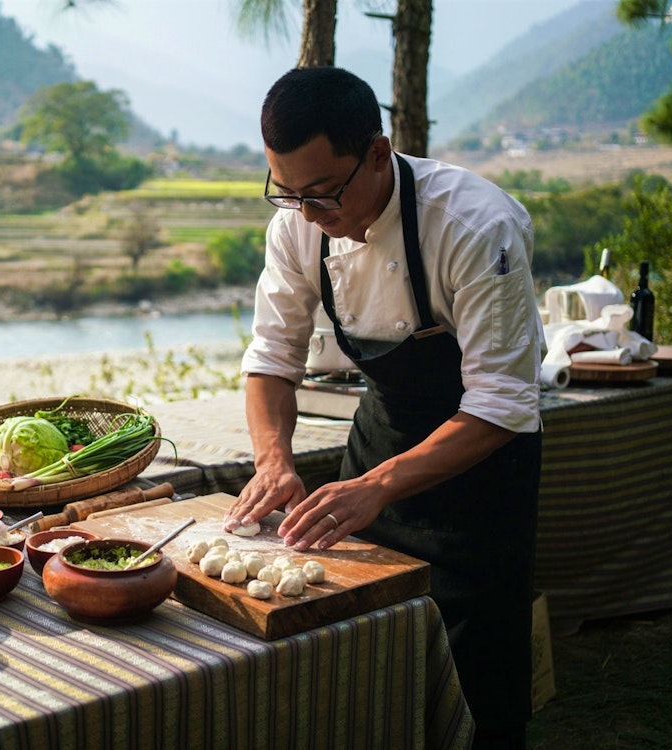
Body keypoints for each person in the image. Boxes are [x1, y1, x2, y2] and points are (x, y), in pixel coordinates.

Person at [224, 67, 545, 749]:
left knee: (477, 671)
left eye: (322, 194)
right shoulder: (298, 226)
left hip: (478, 473)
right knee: (364, 658)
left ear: (377, 152)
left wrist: (379, 486)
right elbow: (272, 358)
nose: (307, 213)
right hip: (377, 442)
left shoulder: (471, 224)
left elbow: (501, 401)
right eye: (286, 193)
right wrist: (274, 460)